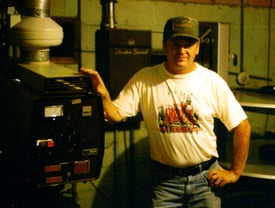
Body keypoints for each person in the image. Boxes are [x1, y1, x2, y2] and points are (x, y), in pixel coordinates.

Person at [80, 16, 251, 208]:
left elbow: (242, 126)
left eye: (188, 45)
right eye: (175, 44)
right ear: (164, 45)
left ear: (197, 47)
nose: (181, 51)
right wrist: (103, 96)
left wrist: (235, 172)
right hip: (165, 184)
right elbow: (115, 115)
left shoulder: (212, 81)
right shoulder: (145, 79)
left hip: (206, 181)